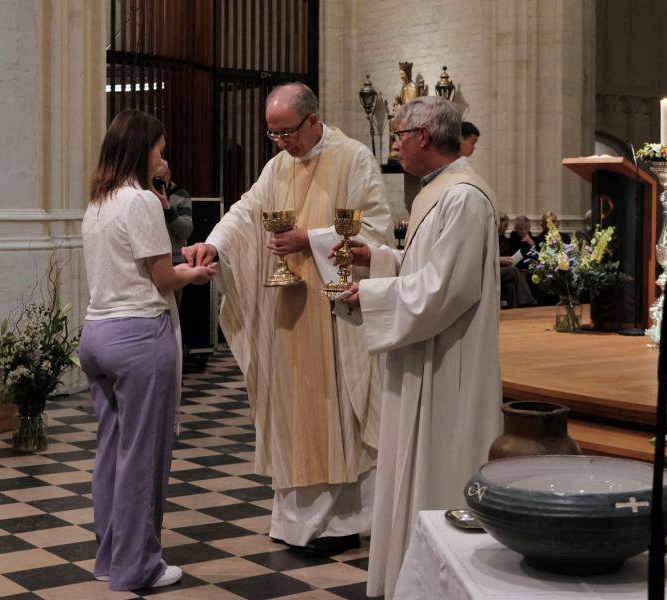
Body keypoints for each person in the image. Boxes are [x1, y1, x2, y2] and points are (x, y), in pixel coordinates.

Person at [182, 83, 392, 557]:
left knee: (335, 417)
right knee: (291, 415)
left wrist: (310, 240)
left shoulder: (354, 159)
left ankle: (339, 523)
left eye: (287, 133)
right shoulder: (277, 166)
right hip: (290, 315)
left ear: (313, 121)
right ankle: (294, 520)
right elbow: (244, 212)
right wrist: (213, 243)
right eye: (273, 134)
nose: (281, 143)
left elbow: (374, 231)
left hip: (334, 316)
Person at [337, 96, 502, 599]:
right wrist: (381, 258)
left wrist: (371, 294)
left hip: (448, 362)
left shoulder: (464, 197)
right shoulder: (438, 191)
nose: (395, 146)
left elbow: (446, 288)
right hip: (424, 351)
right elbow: (426, 266)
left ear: (423, 136)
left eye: (398, 136)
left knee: (437, 463)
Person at [79, 110, 217, 591]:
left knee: (111, 452)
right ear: (142, 152)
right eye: (159, 152)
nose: (164, 161)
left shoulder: (98, 202)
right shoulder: (139, 201)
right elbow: (162, 278)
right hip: (138, 335)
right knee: (143, 455)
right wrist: (194, 274)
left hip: (96, 334)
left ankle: (111, 558)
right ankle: (139, 567)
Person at [152, 159, 193, 307]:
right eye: (152, 179)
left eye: (159, 179)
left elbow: (186, 231)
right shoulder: (142, 196)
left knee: (172, 312)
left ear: (168, 175)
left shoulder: (180, 195)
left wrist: (167, 207)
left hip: (175, 262)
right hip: (150, 262)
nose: (156, 184)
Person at [497, 211, 535, 308]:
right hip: (494, 269)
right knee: (514, 271)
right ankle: (529, 300)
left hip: (505, 268)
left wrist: (532, 245)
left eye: (526, 228)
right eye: (505, 225)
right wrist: (499, 259)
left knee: (510, 285)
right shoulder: (493, 239)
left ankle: (514, 310)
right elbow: (487, 257)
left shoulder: (503, 239)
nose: (506, 228)